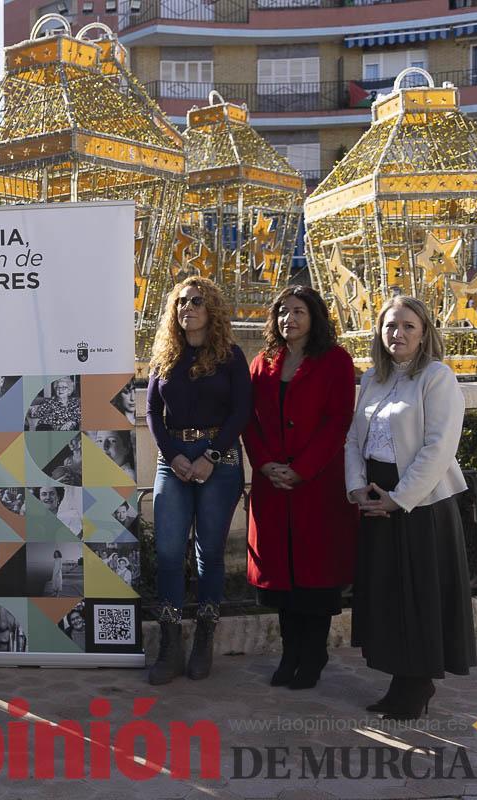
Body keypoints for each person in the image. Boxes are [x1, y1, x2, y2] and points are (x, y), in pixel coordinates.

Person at [344, 296, 475, 721]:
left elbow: (440, 447)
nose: (397, 334)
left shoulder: (437, 378)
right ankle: (400, 678)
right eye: (389, 326)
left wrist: (399, 500)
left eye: (407, 327)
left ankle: (417, 684)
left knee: (419, 597)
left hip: (421, 507)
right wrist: (358, 489)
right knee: (387, 595)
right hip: (375, 501)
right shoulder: (372, 378)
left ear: (423, 334)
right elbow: (352, 441)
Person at [244, 287, 356, 691]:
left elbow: (338, 421)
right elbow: (249, 422)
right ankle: (290, 652)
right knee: (284, 580)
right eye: (282, 312)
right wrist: (267, 464)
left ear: (315, 317)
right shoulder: (262, 362)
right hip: (273, 485)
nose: (288, 319)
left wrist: (303, 469)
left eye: (298, 311)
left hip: (317, 486)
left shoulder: (336, 361)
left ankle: (313, 654)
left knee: (315, 577)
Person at [146, 276, 250, 685]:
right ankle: (170, 645)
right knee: (170, 553)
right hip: (171, 461)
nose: (187, 308)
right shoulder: (165, 356)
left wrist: (211, 455)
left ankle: (204, 636)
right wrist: (173, 455)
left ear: (212, 311)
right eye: (181, 302)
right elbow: (153, 412)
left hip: (218, 461)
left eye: (196, 302)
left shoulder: (230, 356)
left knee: (209, 553)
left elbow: (241, 410)